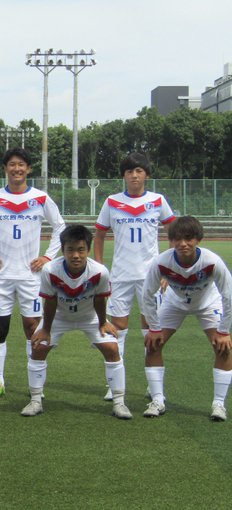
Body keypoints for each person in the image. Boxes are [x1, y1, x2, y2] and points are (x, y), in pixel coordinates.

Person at [0, 147, 65, 399]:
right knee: (0, 328)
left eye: (21, 164)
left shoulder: (41, 198)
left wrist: (47, 256)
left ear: (28, 169)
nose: (17, 169)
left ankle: (33, 381)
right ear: (5, 168)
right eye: (12, 164)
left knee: (32, 326)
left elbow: (60, 227)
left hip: (31, 276)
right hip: (1, 276)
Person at [21, 225, 132, 420]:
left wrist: (103, 322)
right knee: (38, 347)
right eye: (70, 250)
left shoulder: (100, 271)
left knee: (112, 349)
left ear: (88, 251)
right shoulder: (50, 270)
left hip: (89, 317)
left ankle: (119, 402)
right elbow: (50, 300)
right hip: (59, 317)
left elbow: (99, 298)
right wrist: (45, 329)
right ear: (62, 250)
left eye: (81, 250)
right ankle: (36, 400)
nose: (76, 255)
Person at [95, 152, 175, 400]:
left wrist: (168, 271)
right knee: (117, 329)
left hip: (151, 276)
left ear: (146, 175)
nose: (134, 175)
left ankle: (153, 386)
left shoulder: (158, 201)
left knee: (151, 329)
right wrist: (100, 270)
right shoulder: (112, 201)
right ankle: (115, 385)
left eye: (139, 171)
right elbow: (98, 236)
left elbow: (173, 233)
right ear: (124, 176)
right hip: (119, 276)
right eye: (129, 171)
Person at [142, 216, 232, 421]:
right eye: (178, 239)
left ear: (198, 239)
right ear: (171, 240)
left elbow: (228, 296)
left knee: (223, 347)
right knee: (153, 344)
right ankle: (157, 400)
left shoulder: (212, 261)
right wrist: (154, 328)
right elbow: (147, 295)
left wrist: (224, 331)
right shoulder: (161, 262)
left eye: (189, 238)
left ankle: (219, 404)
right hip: (174, 303)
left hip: (208, 303)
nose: (183, 244)